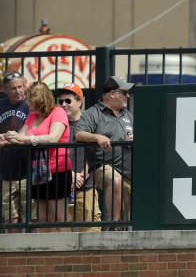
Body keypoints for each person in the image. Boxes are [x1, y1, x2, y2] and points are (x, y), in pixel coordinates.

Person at [2, 82, 72, 231]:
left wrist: (26, 139)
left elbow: (53, 137)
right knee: (42, 219)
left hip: (57, 170)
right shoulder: (32, 115)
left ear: (38, 100)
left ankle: (66, 251)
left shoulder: (58, 112)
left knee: (59, 219)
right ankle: (47, 253)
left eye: (29, 99)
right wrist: (5, 137)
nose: (26, 102)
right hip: (37, 173)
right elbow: (20, 136)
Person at [75, 75, 135, 223]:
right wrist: (97, 137)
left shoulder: (128, 115)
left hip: (128, 172)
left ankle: (115, 227)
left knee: (124, 217)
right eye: (124, 92)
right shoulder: (92, 113)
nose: (128, 96)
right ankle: (112, 223)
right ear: (112, 93)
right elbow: (79, 134)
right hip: (102, 167)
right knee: (115, 180)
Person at [56, 83, 101, 231]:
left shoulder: (90, 122)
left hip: (86, 185)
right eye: (60, 101)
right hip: (61, 188)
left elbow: (98, 153)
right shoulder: (56, 124)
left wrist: (81, 175)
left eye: (68, 101)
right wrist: (71, 175)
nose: (63, 104)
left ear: (80, 101)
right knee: (60, 236)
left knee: (90, 233)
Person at [0, 71, 30, 230]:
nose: (18, 91)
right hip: (6, 173)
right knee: (11, 218)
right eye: (13, 88)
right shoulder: (1, 105)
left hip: (29, 172)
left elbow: (36, 131)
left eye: (20, 87)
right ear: (5, 89)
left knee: (32, 218)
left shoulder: (30, 105)